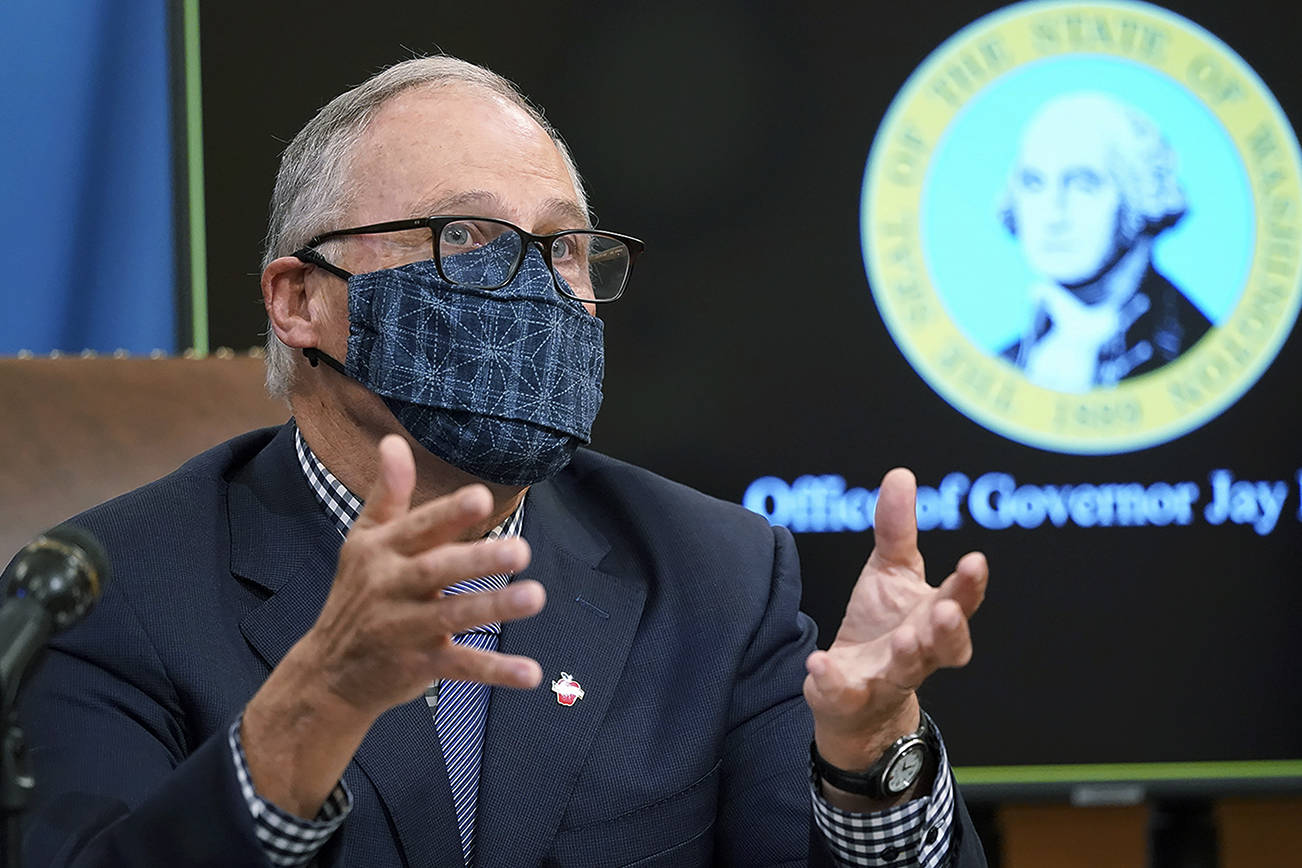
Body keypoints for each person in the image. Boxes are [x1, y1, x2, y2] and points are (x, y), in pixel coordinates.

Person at [17, 56, 989, 867]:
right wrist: (309, 716)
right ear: (299, 298)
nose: (534, 289)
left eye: (565, 247)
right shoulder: (107, 594)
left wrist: (868, 763)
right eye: (466, 237)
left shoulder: (716, 575)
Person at [998, 92, 1212, 392]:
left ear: (1142, 195)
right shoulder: (1003, 366)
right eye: (1034, 183)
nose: (1053, 214)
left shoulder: (1197, 354)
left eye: (1084, 185)